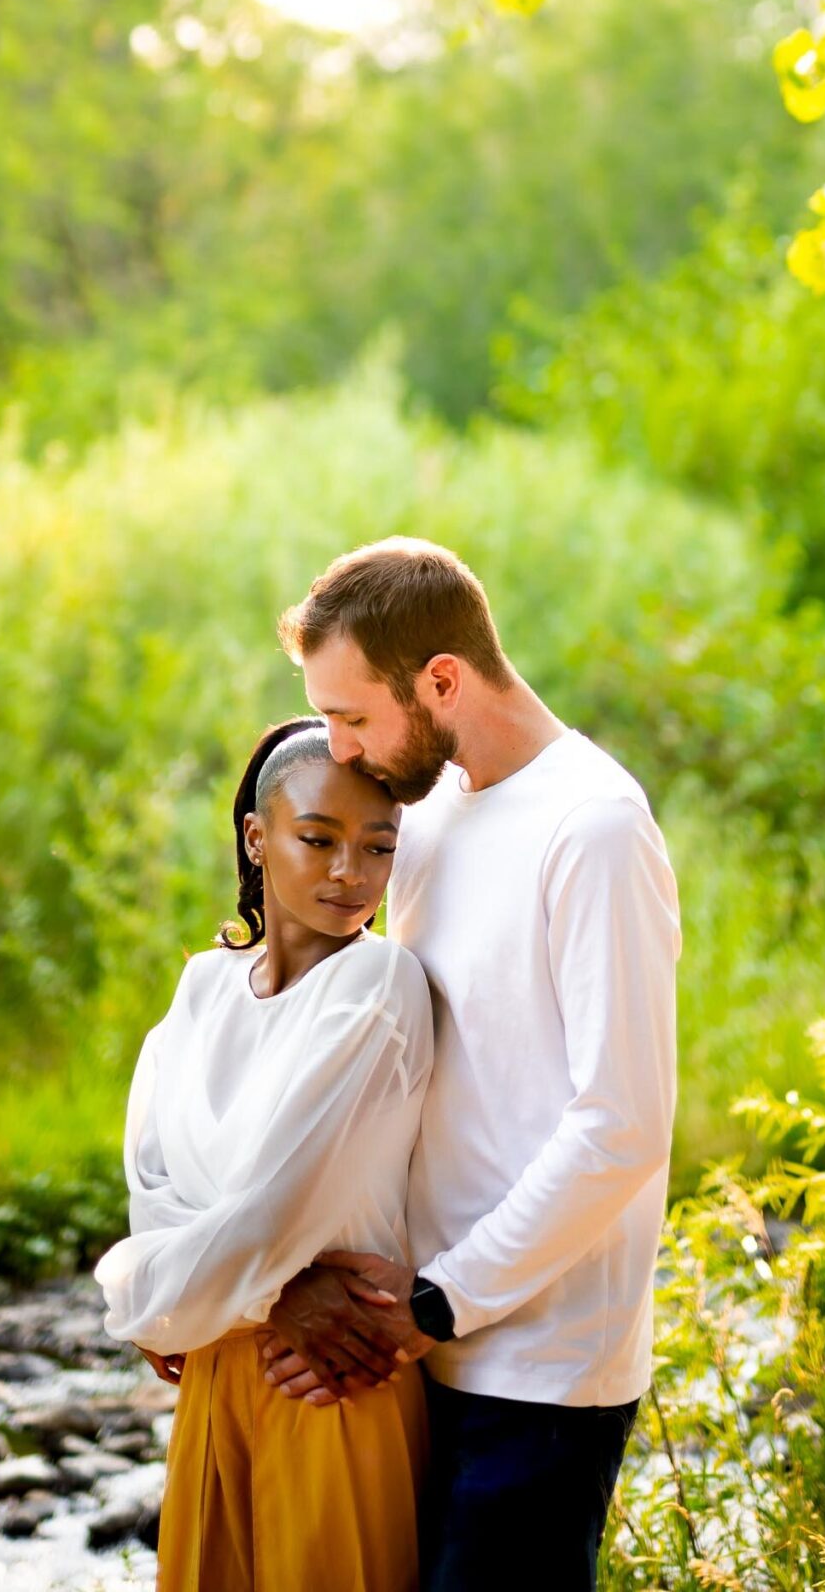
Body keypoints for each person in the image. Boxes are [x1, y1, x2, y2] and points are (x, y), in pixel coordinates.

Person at [263, 540, 681, 1592]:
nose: (342, 750)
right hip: (419, 1345)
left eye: (354, 717)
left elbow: (621, 1121)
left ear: (442, 679)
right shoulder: (433, 812)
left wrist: (439, 1301)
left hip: (539, 1369)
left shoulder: (593, 825)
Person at [95, 716, 433, 1592]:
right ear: (257, 836)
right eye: (316, 839)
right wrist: (274, 1289)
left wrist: (173, 1293)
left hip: (331, 1376)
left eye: (377, 848)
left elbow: (274, 1204)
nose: (348, 874)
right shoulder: (204, 988)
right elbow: (152, 1190)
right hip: (218, 1374)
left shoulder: (378, 983)